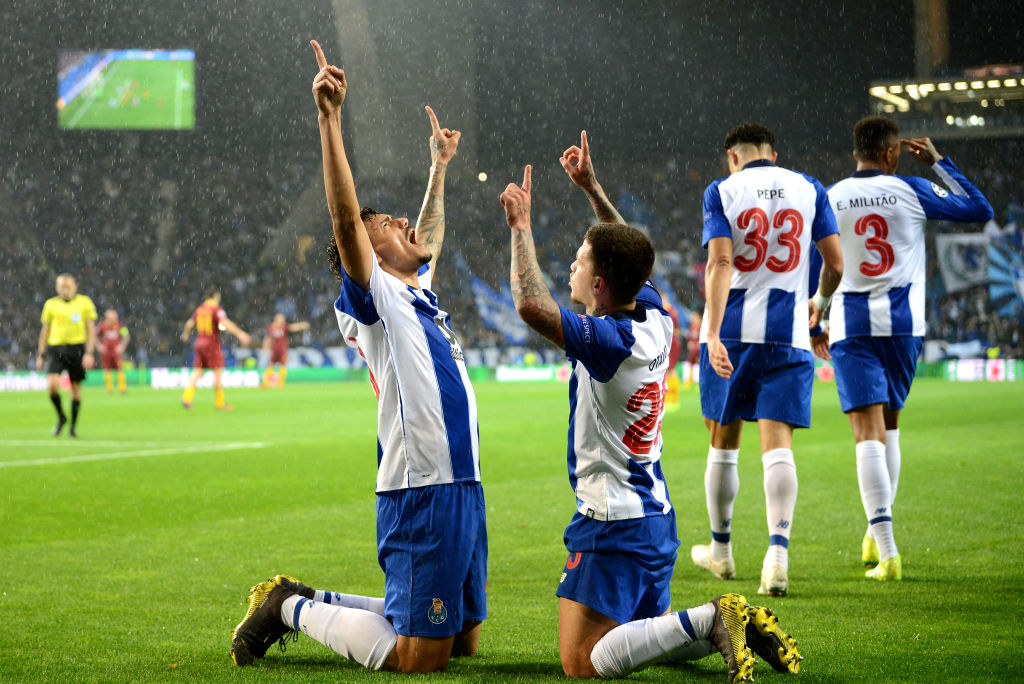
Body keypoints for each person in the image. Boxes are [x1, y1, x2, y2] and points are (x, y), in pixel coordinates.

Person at [497, 131, 800, 681]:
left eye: (579, 259)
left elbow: (529, 304)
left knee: (582, 661)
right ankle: (719, 626)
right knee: (643, 640)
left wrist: (521, 227)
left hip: (612, 524)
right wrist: (591, 188)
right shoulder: (654, 315)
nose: (570, 266)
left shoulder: (608, 341)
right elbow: (632, 256)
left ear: (600, 284)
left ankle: (713, 618)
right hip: (655, 518)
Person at [229, 40, 486, 675]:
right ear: (366, 254)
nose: (404, 223)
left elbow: (427, 236)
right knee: (418, 658)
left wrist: (438, 169)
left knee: (462, 640)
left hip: (463, 483)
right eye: (387, 226)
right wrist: (330, 119)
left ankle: (304, 597)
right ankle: (290, 609)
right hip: (421, 486)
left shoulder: (415, 294)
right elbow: (347, 220)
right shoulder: (375, 298)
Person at [814, 116, 993, 581]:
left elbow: (826, 263)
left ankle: (888, 549)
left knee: (866, 433)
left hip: (852, 325)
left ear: (857, 150)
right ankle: (876, 534)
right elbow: (979, 209)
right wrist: (938, 162)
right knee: (889, 427)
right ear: (892, 153)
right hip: (904, 328)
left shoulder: (830, 197)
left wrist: (817, 308)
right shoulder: (912, 190)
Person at [691, 123, 844, 597]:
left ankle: (721, 552)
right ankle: (777, 556)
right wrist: (817, 309)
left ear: (732, 157)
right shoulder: (809, 188)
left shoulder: (722, 190)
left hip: (733, 332)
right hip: (790, 334)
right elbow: (835, 265)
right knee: (778, 446)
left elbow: (720, 263)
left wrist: (712, 332)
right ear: (772, 155)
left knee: (723, 440)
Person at [36, 273, 97, 438]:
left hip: (76, 349)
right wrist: (41, 354)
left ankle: (73, 427)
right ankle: (61, 416)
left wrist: (89, 353)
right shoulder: (50, 305)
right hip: (55, 348)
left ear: (75, 287)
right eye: (62, 286)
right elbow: (45, 331)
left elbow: (91, 330)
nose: (65, 289)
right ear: (57, 288)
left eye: (68, 286)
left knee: (76, 389)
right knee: (52, 386)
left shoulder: (84, 303)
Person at [179, 289, 251, 410]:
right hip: (211, 343)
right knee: (217, 372)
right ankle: (220, 403)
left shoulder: (200, 309)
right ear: (216, 296)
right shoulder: (216, 309)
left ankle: (187, 398)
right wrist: (240, 333)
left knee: (197, 371)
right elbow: (225, 323)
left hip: (199, 342)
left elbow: (189, 323)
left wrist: (186, 334)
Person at [260, 313, 310, 388]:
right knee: (270, 366)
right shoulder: (271, 327)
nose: (282, 320)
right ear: (276, 319)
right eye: (281, 318)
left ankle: (281, 383)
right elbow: (268, 338)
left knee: (283, 366)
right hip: (275, 350)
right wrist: (265, 347)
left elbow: (293, 327)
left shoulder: (284, 326)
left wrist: (302, 325)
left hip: (283, 350)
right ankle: (266, 382)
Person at [96, 309, 130, 393]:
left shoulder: (119, 326)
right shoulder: (102, 326)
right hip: (106, 352)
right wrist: (99, 346)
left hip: (116, 352)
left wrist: (122, 346)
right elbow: (94, 336)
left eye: (114, 317)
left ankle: (122, 388)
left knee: (120, 368)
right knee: (107, 369)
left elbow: (126, 336)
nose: (113, 319)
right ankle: (109, 388)